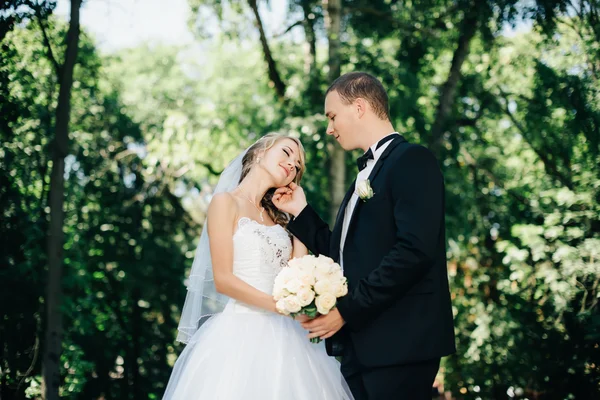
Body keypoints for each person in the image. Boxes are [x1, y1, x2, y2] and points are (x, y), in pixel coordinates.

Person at [273, 72, 456, 400]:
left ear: (358, 108)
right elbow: (343, 255)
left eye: (332, 116)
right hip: (364, 347)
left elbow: (414, 251)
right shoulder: (365, 175)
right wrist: (300, 213)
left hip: (401, 344)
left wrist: (346, 311)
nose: (329, 128)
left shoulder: (412, 160)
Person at [163, 133, 353, 399]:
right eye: (286, 153)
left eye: (297, 166)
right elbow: (223, 280)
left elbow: (295, 272)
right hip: (241, 331)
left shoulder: (281, 218)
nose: (292, 165)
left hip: (290, 336)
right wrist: (280, 306)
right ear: (261, 151)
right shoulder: (224, 202)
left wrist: (297, 213)